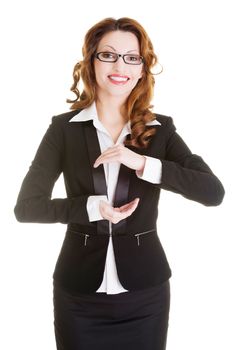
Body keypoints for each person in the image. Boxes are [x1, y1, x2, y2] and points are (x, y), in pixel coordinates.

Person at [14, 17, 225, 350]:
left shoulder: (160, 130)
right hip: (78, 297)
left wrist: (143, 163)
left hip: (145, 297)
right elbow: (26, 209)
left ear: (142, 69)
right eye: (108, 55)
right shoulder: (63, 130)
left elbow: (213, 192)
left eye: (132, 57)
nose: (120, 65)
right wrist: (90, 207)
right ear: (91, 62)